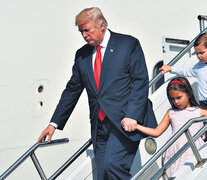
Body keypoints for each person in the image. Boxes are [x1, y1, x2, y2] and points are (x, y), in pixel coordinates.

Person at [37, 7, 157, 179]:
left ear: (102, 25)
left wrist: (133, 115)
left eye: (87, 30)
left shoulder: (127, 44)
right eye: (81, 32)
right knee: (102, 174)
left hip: (124, 121)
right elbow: (72, 90)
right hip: (99, 124)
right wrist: (53, 124)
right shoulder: (82, 55)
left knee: (113, 167)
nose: (84, 35)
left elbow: (140, 81)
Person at [122, 77, 207, 177]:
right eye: (172, 99)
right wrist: (137, 126)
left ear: (188, 94)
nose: (176, 102)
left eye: (179, 97)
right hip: (174, 151)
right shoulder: (171, 113)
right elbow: (156, 132)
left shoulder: (199, 112)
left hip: (193, 148)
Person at [159, 33, 207, 141]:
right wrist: (171, 68)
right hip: (204, 102)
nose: (199, 56)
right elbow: (186, 71)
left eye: (201, 53)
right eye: (197, 53)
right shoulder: (199, 67)